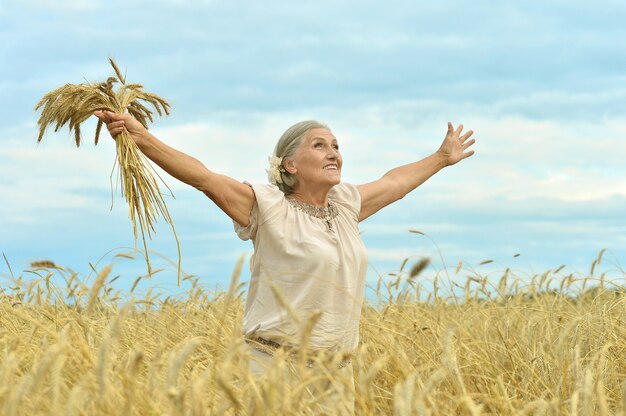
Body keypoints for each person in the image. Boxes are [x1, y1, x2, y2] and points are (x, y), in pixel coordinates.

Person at [94, 111, 476, 413]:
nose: (334, 153)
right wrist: (141, 137)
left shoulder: (345, 206)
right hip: (274, 369)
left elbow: (395, 183)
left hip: (338, 375)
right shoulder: (269, 207)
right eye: (319, 145)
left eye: (336, 146)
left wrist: (442, 158)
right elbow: (204, 177)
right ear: (289, 164)